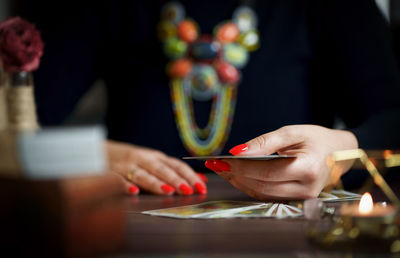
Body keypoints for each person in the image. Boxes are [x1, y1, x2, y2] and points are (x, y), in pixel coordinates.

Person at [19, 0, 400, 199]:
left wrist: (341, 152)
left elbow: (393, 117)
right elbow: (14, 127)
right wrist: (89, 156)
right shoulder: (101, 6)